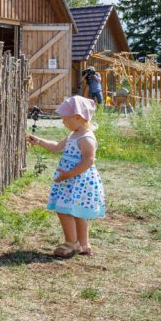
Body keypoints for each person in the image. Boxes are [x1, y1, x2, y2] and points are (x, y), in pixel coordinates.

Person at [26, 95, 104, 258]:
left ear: (77, 117)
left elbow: (88, 160)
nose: (63, 122)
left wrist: (69, 174)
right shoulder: (73, 135)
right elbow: (56, 147)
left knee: (64, 210)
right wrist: (39, 141)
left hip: (77, 180)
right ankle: (83, 245)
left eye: (65, 119)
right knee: (77, 211)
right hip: (71, 180)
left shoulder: (86, 138)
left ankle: (71, 242)